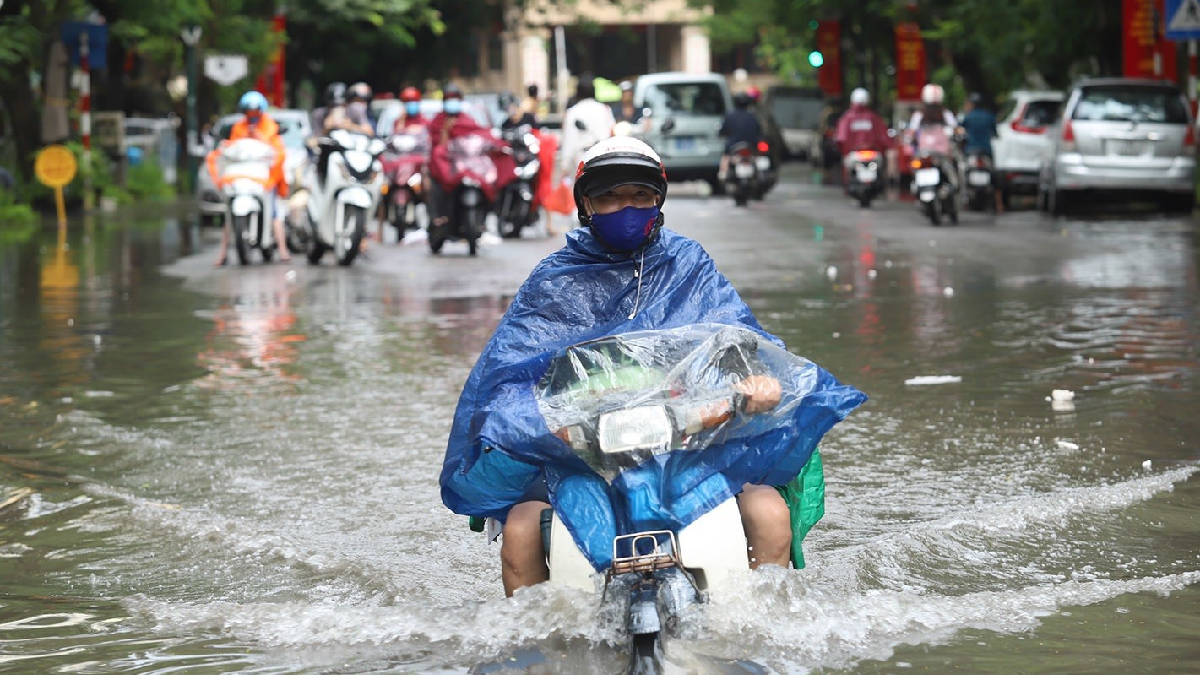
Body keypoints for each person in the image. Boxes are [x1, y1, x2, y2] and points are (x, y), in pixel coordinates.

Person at [440, 137, 846, 597]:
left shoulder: (688, 264)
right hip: (581, 451)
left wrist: (758, 380)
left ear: (658, 200)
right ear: (586, 205)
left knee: (768, 514)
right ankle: (533, 639)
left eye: (639, 195)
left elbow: (734, 334)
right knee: (519, 531)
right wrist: (518, 415)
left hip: (689, 439)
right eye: (610, 197)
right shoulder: (554, 281)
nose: (626, 208)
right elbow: (513, 368)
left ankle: (762, 624)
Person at [210, 91, 291, 265]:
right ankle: (223, 253)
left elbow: (277, 152)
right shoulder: (239, 127)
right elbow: (233, 148)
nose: (252, 115)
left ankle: (283, 250)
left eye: (255, 111)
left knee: (274, 211)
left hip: (264, 175)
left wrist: (259, 137)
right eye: (249, 112)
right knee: (228, 213)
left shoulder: (270, 126)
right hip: (242, 174)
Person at [558, 78, 616, 200]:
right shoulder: (605, 109)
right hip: (603, 156)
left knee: (582, 196)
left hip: (581, 159)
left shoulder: (573, 112)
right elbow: (612, 133)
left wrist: (565, 165)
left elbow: (569, 140)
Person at [835, 87, 892, 180]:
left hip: (854, 154)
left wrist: (844, 151)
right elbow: (884, 137)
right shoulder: (873, 117)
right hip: (873, 154)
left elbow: (842, 138)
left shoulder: (847, 118)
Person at [958, 92, 1002, 212]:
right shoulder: (989, 116)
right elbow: (995, 133)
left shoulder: (968, 117)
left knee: (963, 172)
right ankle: (999, 204)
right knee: (994, 175)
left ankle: (964, 199)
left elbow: (960, 130)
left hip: (970, 150)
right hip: (986, 150)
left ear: (972, 104)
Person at [717, 92, 764, 181]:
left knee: (725, 158)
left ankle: (723, 175)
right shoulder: (753, 116)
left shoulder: (729, 116)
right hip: (751, 147)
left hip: (734, 147)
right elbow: (759, 132)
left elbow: (722, 131)